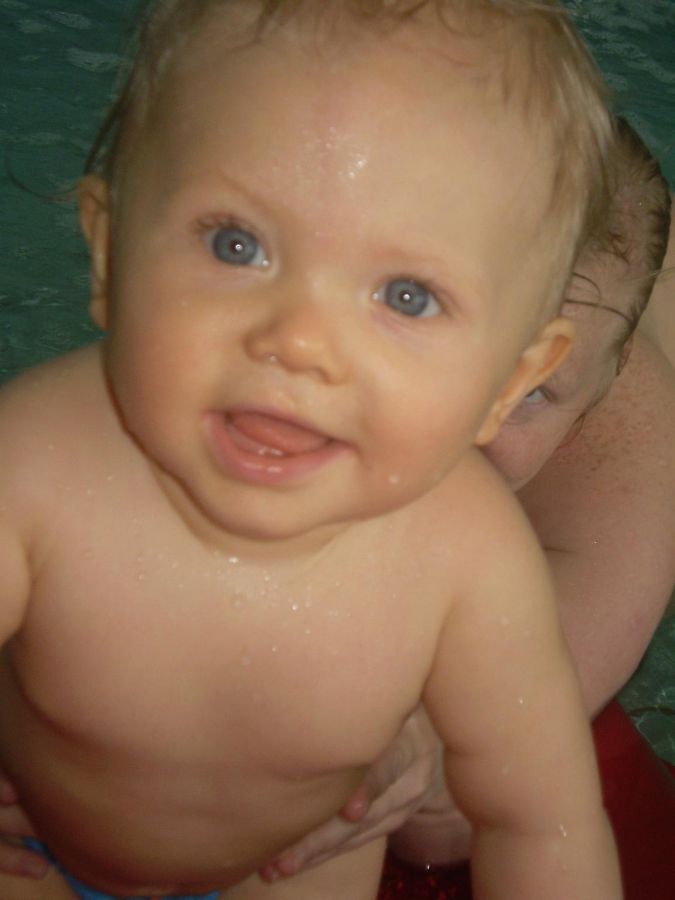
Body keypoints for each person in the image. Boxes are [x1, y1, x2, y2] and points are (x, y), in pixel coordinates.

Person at [0, 1, 623, 898]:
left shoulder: (468, 563)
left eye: (406, 296)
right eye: (236, 245)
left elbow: (539, 821)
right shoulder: (30, 470)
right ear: (107, 256)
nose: (299, 341)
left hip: (291, 870)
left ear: (509, 382)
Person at [256, 117, 675, 885]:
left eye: (529, 392)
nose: (457, 424)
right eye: (413, 323)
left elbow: (442, 820)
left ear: (596, 388)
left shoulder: (618, 482)